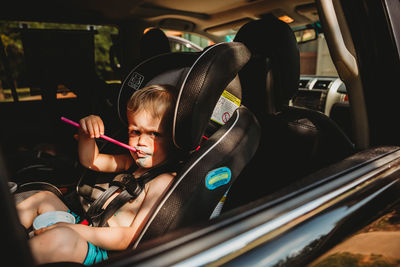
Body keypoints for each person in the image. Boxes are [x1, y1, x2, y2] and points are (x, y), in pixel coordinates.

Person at [16, 84, 178, 265]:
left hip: (104, 252)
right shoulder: (129, 162)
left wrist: (72, 230)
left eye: (154, 134)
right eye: (135, 131)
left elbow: (129, 237)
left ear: (174, 137)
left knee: (58, 239)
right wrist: (86, 134)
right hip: (87, 226)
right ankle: (9, 240)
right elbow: (90, 160)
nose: (141, 142)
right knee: (44, 198)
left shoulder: (163, 181)